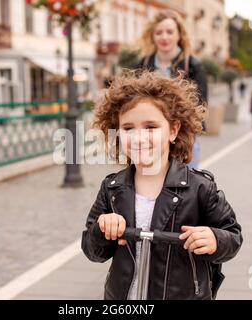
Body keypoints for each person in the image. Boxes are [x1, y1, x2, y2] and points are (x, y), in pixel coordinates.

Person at [81, 71, 243, 300]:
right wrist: (101, 229)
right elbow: (92, 250)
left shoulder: (199, 188)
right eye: (128, 128)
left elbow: (233, 236)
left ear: (173, 130)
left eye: (150, 127)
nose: (139, 138)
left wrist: (215, 239)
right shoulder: (112, 188)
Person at [134, 9, 208, 170]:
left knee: (183, 187)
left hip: (184, 136)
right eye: (159, 32)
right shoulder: (143, 63)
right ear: (153, 36)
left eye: (169, 32)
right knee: (153, 185)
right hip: (151, 137)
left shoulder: (193, 64)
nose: (164, 37)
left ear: (179, 35)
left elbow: (201, 104)